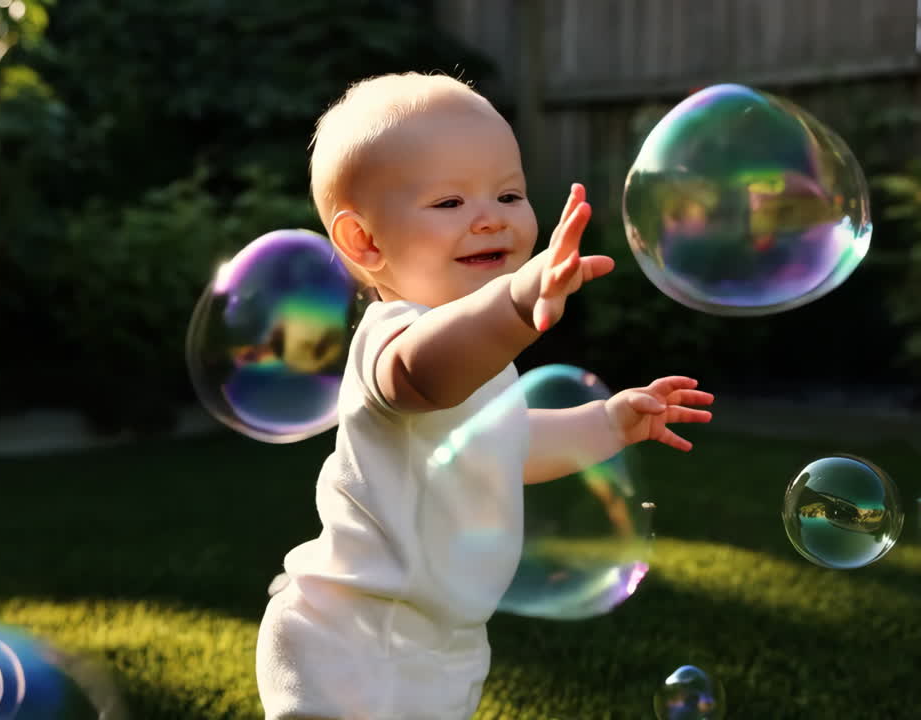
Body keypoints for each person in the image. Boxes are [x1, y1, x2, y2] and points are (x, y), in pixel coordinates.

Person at [255, 72, 714, 719]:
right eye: (449, 204)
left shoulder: (479, 359)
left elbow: (507, 444)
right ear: (364, 241)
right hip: (356, 636)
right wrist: (518, 300)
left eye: (508, 193)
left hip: (439, 639)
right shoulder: (397, 340)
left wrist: (609, 423)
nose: (490, 218)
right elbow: (426, 374)